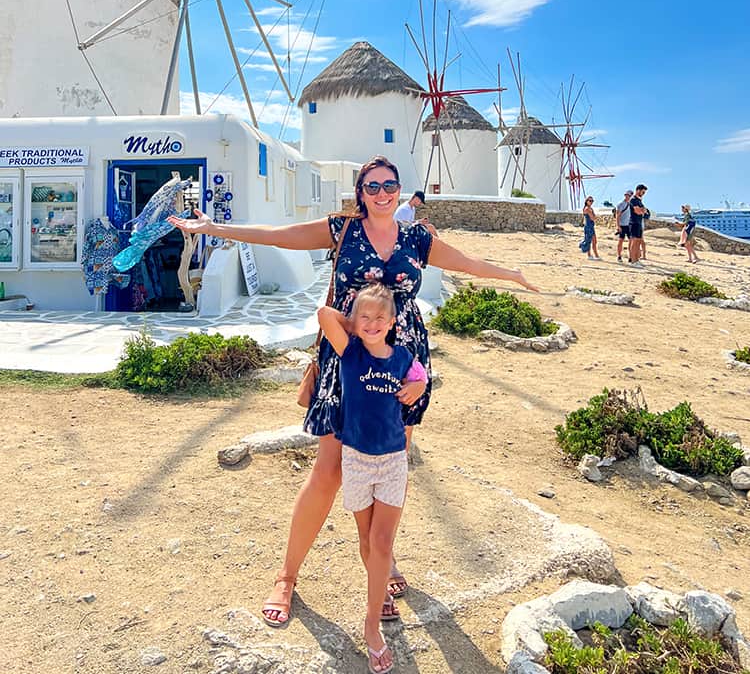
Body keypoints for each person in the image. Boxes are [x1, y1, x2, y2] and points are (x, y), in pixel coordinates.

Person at [168, 155, 539, 630]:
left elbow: (467, 262)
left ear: (400, 190)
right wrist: (214, 229)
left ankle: (381, 563)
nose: (382, 193)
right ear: (360, 192)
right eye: (373, 186)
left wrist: (510, 274)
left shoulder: (417, 238)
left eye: (390, 185)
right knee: (328, 471)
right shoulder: (341, 229)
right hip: (347, 360)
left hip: (403, 363)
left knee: (390, 466)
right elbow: (276, 235)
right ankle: (286, 576)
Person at [318, 284, 427, 673]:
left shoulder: (402, 358)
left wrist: (419, 385)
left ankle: (371, 629)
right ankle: (379, 592)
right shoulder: (351, 353)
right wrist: (356, 322)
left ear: (394, 322)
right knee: (366, 542)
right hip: (357, 461)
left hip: (393, 460)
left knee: (382, 542)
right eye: (366, 317)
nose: (373, 323)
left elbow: (422, 378)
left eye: (381, 317)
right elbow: (323, 315)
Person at [628, 184, 648, 265]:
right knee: (634, 241)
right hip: (634, 222)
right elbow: (638, 211)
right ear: (638, 190)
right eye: (643, 192)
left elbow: (645, 211)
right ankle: (633, 260)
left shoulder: (639, 200)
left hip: (639, 223)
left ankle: (636, 260)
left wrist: (643, 210)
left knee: (638, 241)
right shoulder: (633, 199)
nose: (643, 194)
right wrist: (642, 210)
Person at [614, 190, 633, 262]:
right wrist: (618, 226)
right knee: (621, 241)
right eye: (628, 195)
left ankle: (630, 257)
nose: (629, 197)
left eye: (630, 195)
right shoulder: (620, 204)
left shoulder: (631, 205)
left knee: (631, 241)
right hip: (622, 225)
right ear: (625, 195)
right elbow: (617, 215)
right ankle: (619, 256)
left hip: (629, 225)